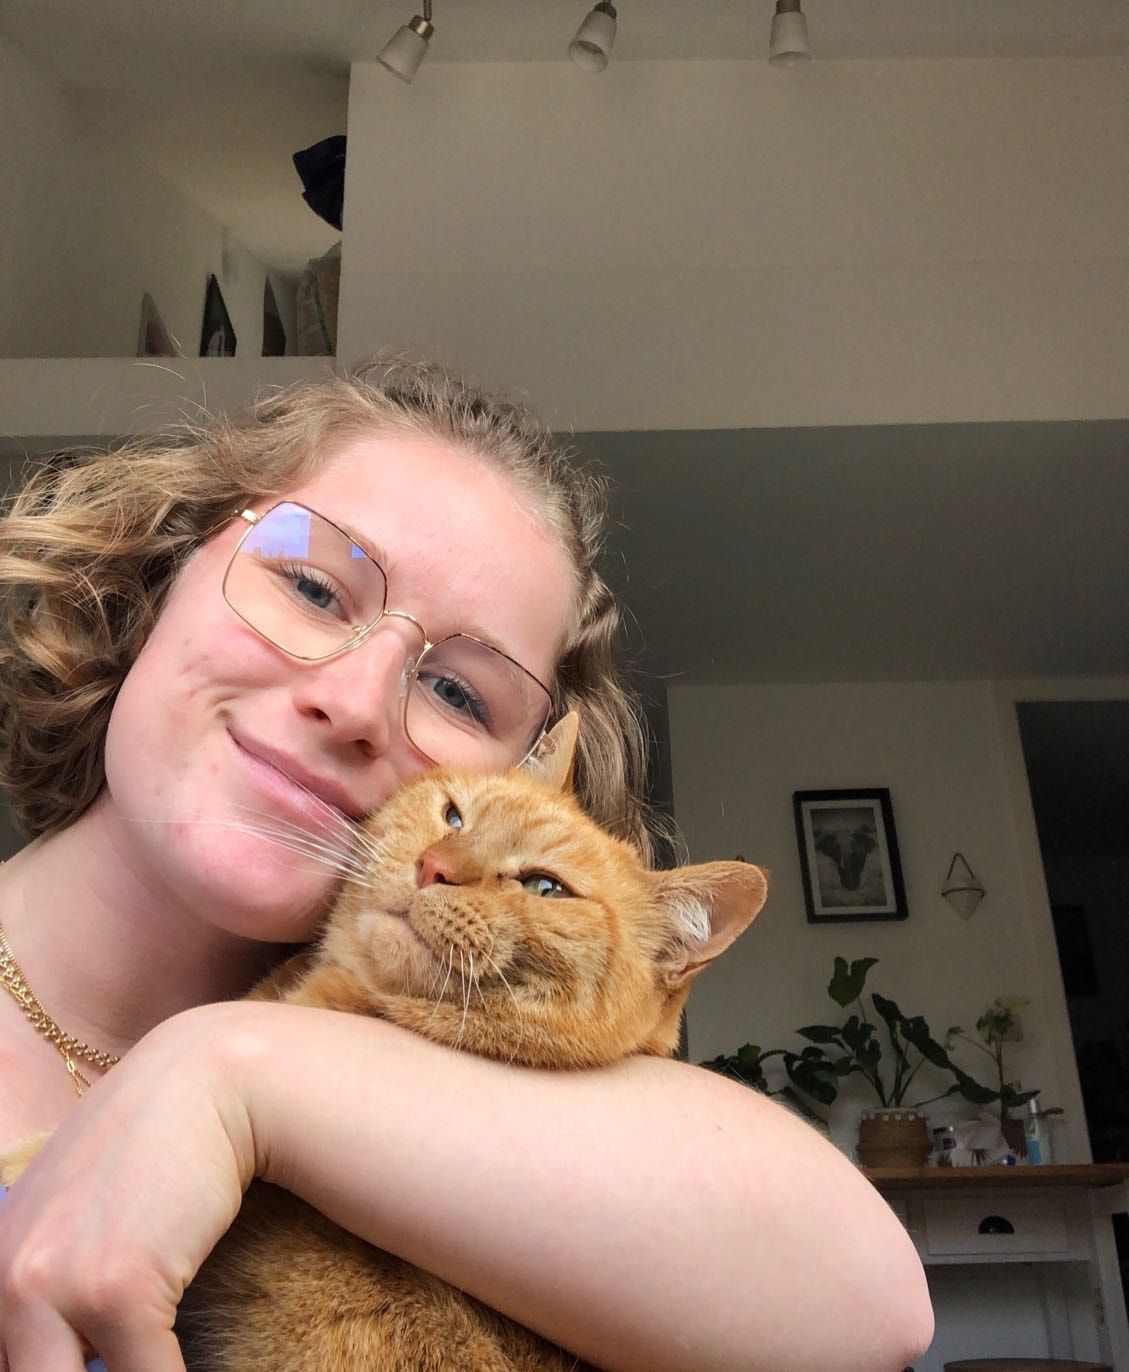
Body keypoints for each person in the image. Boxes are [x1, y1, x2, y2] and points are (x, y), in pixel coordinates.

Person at [0, 358, 933, 1372]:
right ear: (159, 573)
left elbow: (875, 1303)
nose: (355, 703)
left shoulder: (459, 1068)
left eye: (457, 693)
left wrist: (224, 1068)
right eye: (312, 587)